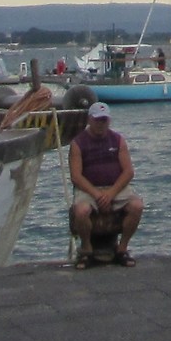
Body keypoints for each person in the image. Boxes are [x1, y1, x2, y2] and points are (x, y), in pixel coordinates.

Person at [69, 102, 142, 266]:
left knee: (137, 206)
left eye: (104, 120)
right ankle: (87, 250)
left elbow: (128, 171)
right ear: (89, 120)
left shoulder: (118, 140)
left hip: (115, 188)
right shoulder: (78, 144)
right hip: (89, 189)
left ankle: (122, 249)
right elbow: (76, 176)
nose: (101, 124)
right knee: (81, 211)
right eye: (97, 120)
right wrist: (97, 195)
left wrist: (111, 194)